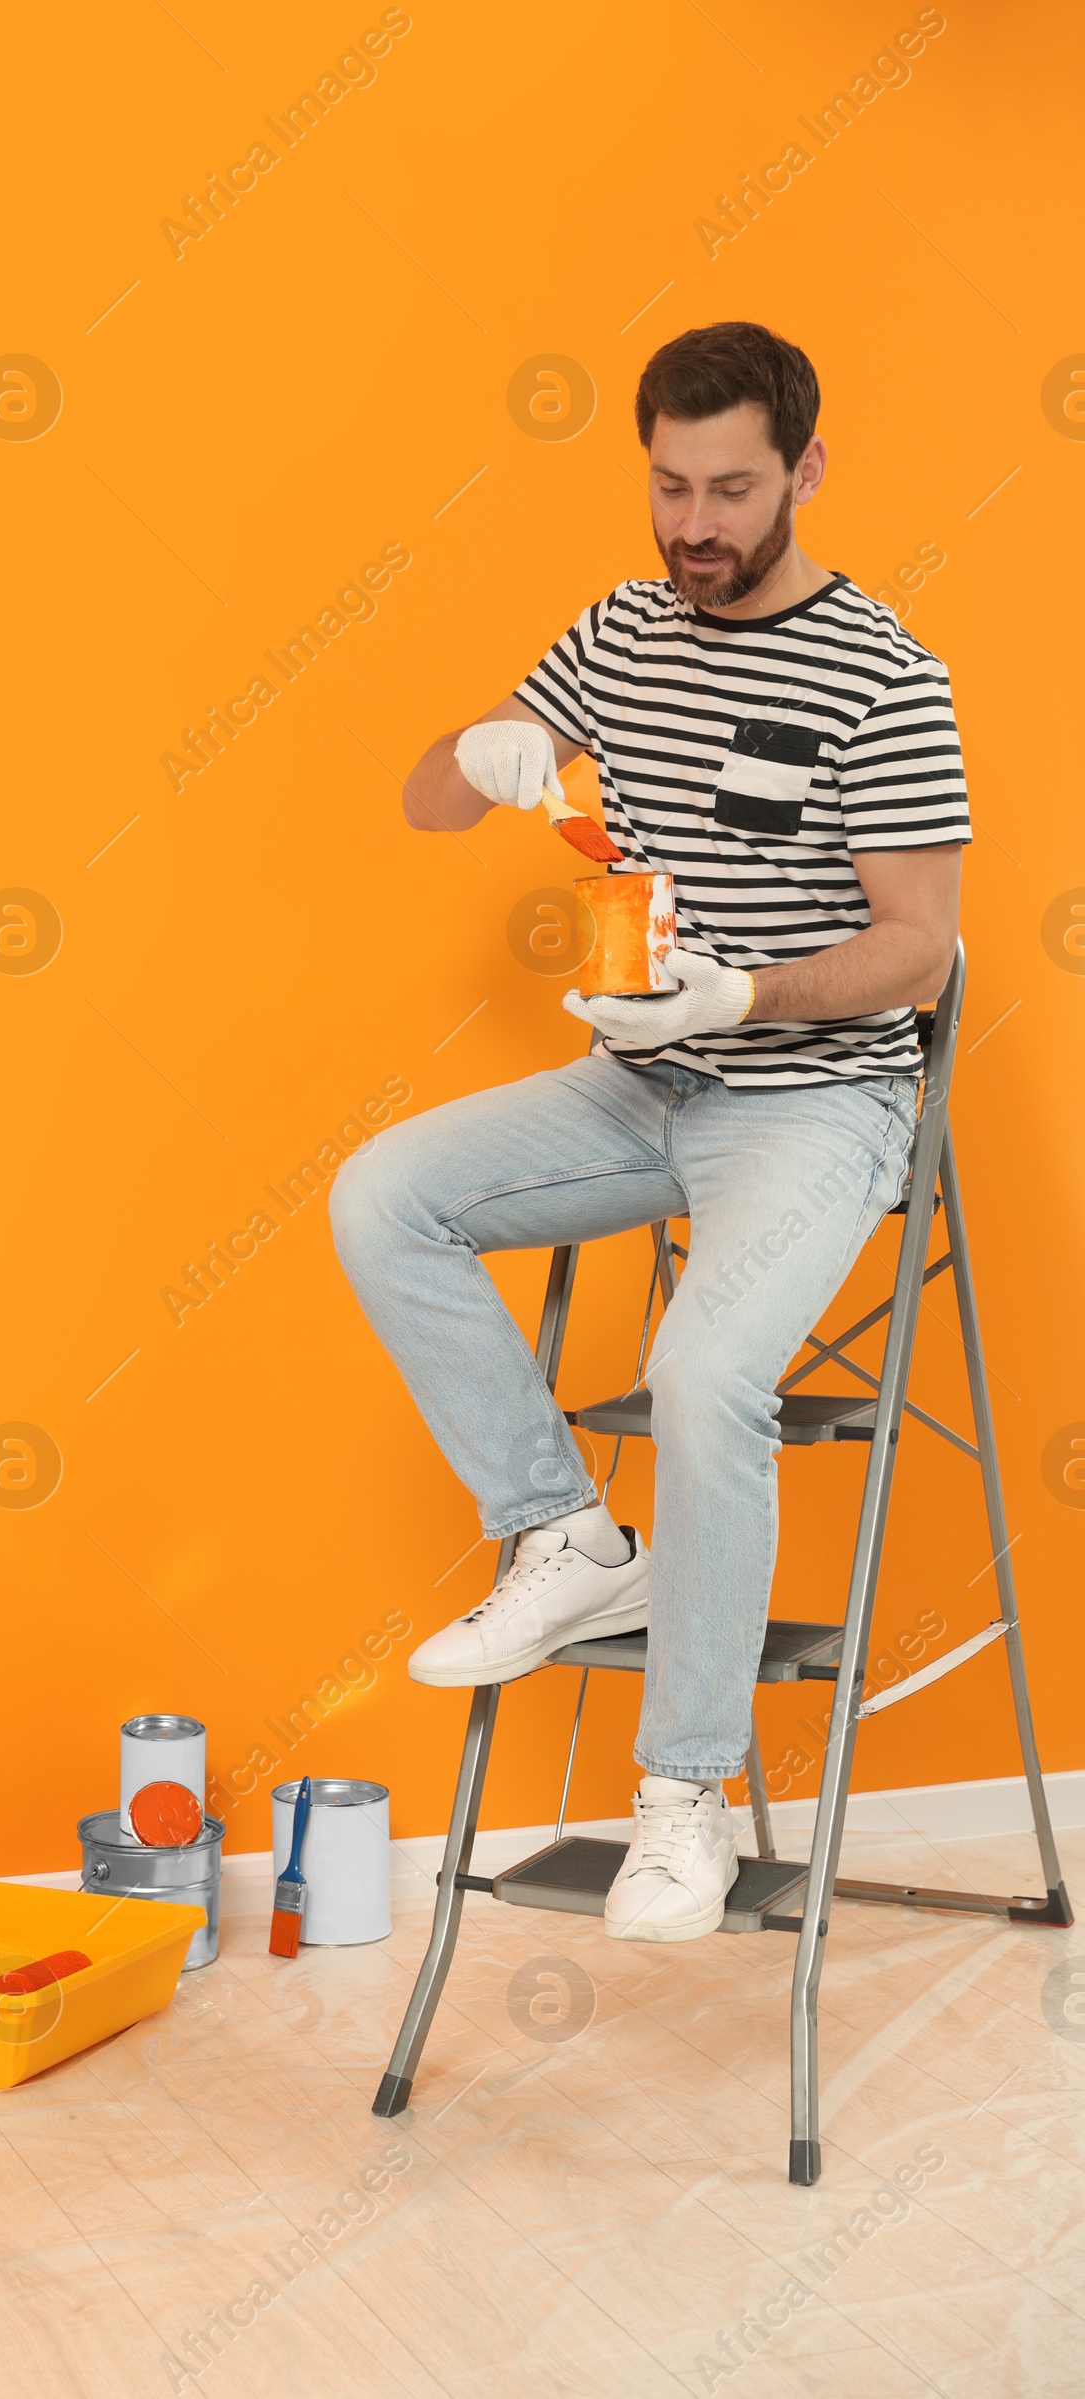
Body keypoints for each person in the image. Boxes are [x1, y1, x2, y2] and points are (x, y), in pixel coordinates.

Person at [329, 320, 968, 1942]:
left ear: (805, 473)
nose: (696, 523)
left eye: (732, 488)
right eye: (671, 487)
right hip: (640, 1082)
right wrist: (474, 765)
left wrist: (741, 999)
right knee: (382, 1193)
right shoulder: (622, 630)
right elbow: (421, 800)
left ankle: (679, 1796)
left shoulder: (886, 675)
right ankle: (565, 1534)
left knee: (700, 1373)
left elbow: (919, 946)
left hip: (816, 1097)